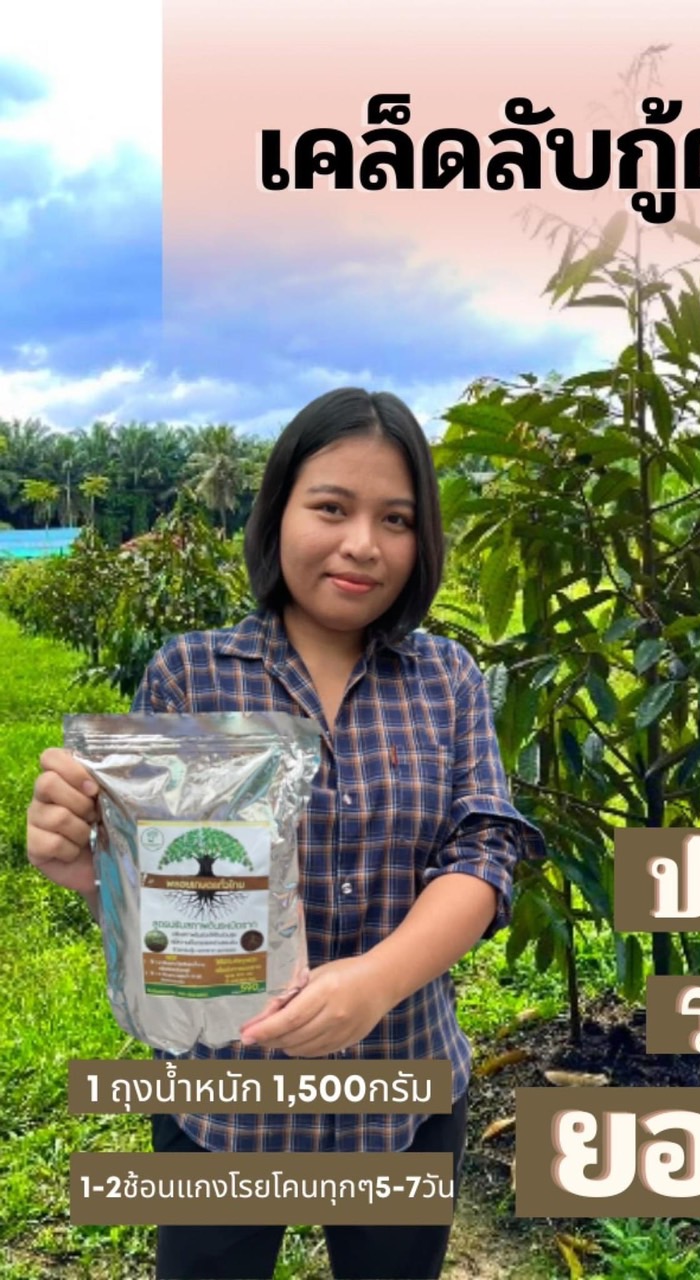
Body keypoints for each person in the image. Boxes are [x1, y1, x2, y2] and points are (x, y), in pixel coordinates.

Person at [26, 387, 545, 1279]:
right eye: (332, 508)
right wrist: (85, 864)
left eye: (397, 519)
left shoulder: (447, 676)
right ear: (277, 515)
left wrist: (379, 980)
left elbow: (485, 849)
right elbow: (164, 875)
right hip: (225, 1099)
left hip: (401, 1085)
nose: (362, 545)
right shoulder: (192, 672)